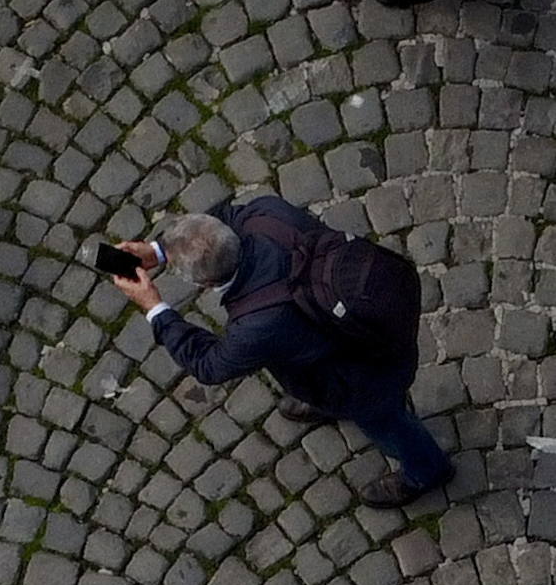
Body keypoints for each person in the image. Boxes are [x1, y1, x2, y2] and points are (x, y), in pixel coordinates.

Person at [112, 196, 454, 509]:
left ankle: (426, 471)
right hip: (352, 331)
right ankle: (324, 402)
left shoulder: (256, 327)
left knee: (387, 424)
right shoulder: (267, 212)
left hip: (364, 378)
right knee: (328, 386)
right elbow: (226, 215)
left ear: (205, 284)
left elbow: (209, 364)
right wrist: (159, 250)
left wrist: (154, 306)